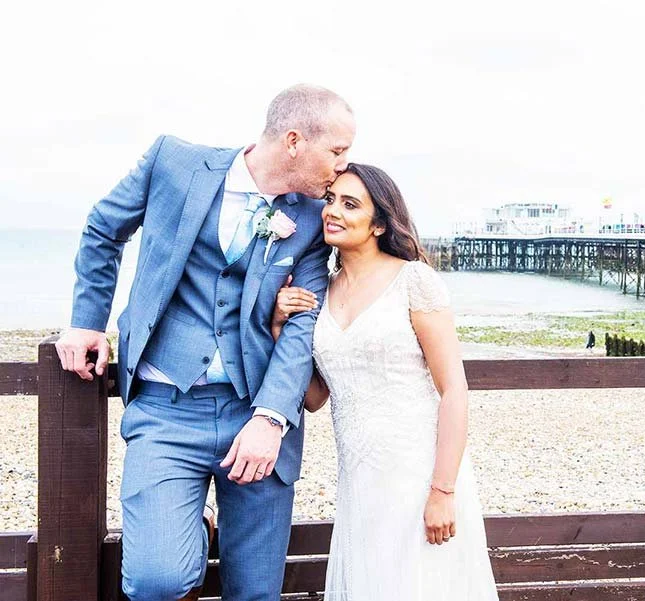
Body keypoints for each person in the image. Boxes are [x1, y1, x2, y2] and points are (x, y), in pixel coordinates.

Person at [55, 84, 356, 600]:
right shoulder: (173, 162)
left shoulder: (310, 219)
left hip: (256, 413)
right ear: (293, 141)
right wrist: (87, 321)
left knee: (256, 592)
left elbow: (301, 325)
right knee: (156, 580)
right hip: (165, 410)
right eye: (337, 151)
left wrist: (271, 417)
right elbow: (105, 229)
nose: (343, 164)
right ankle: (195, 533)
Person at [271, 163, 498, 600]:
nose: (332, 211)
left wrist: (442, 491)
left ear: (378, 224)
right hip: (360, 480)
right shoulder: (322, 291)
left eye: (350, 204)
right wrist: (280, 326)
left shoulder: (414, 281)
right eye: (331, 199)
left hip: (420, 474)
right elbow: (316, 397)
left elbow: (454, 390)